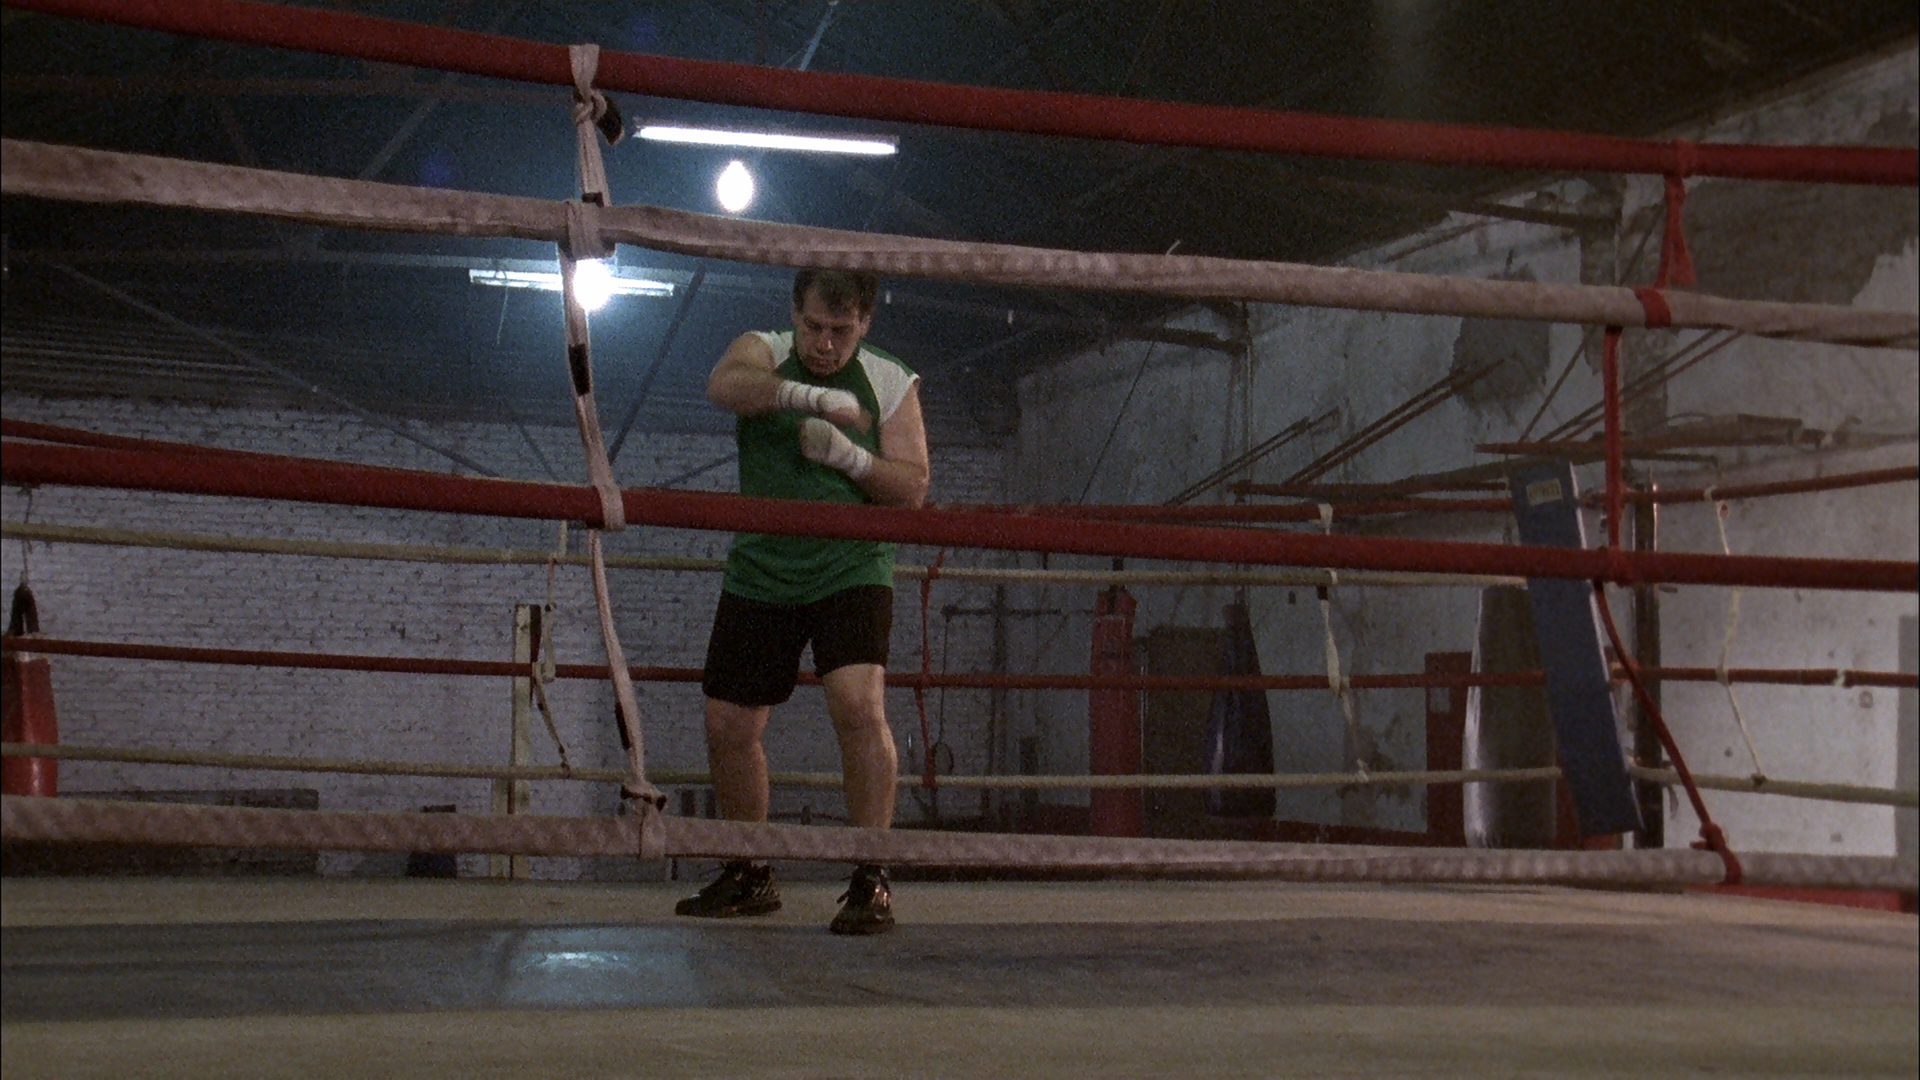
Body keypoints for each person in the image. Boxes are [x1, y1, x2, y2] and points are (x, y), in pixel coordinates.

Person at [676, 269, 929, 935]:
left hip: (851, 566)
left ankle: (871, 876)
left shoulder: (889, 379)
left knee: (858, 706)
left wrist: (851, 459)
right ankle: (750, 871)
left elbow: (912, 488)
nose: (825, 343)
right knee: (728, 725)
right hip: (763, 566)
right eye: (814, 327)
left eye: (841, 331)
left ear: (865, 322)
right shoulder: (763, 349)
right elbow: (723, 385)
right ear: (795, 314)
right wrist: (806, 398)